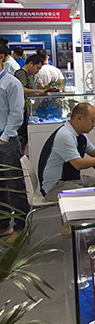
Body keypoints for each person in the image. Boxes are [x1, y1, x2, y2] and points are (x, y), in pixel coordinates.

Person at [38, 103, 95, 202]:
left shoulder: (79, 135)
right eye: (92, 121)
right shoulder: (65, 135)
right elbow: (79, 164)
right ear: (79, 118)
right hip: (55, 186)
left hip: (72, 179)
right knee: (94, 198)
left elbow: (94, 151)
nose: (94, 125)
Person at [0, 43, 30, 242]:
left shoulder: (11, 83)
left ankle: (21, 227)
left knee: (14, 186)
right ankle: (3, 225)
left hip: (6, 141)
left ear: (2, 57)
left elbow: (17, 113)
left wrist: (4, 137)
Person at [14, 54, 46, 147]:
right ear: (31, 64)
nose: (37, 71)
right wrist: (39, 91)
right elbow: (21, 89)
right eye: (37, 68)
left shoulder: (29, 76)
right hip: (22, 110)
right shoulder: (21, 74)